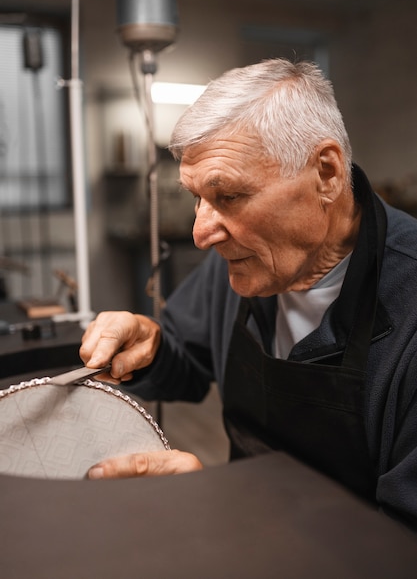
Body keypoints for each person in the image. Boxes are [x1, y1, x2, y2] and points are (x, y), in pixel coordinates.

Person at [80, 58, 417, 528]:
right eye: (197, 198)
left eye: (229, 197)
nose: (201, 233)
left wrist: (228, 513)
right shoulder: (243, 263)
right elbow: (188, 362)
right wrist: (150, 349)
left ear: (326, 173)